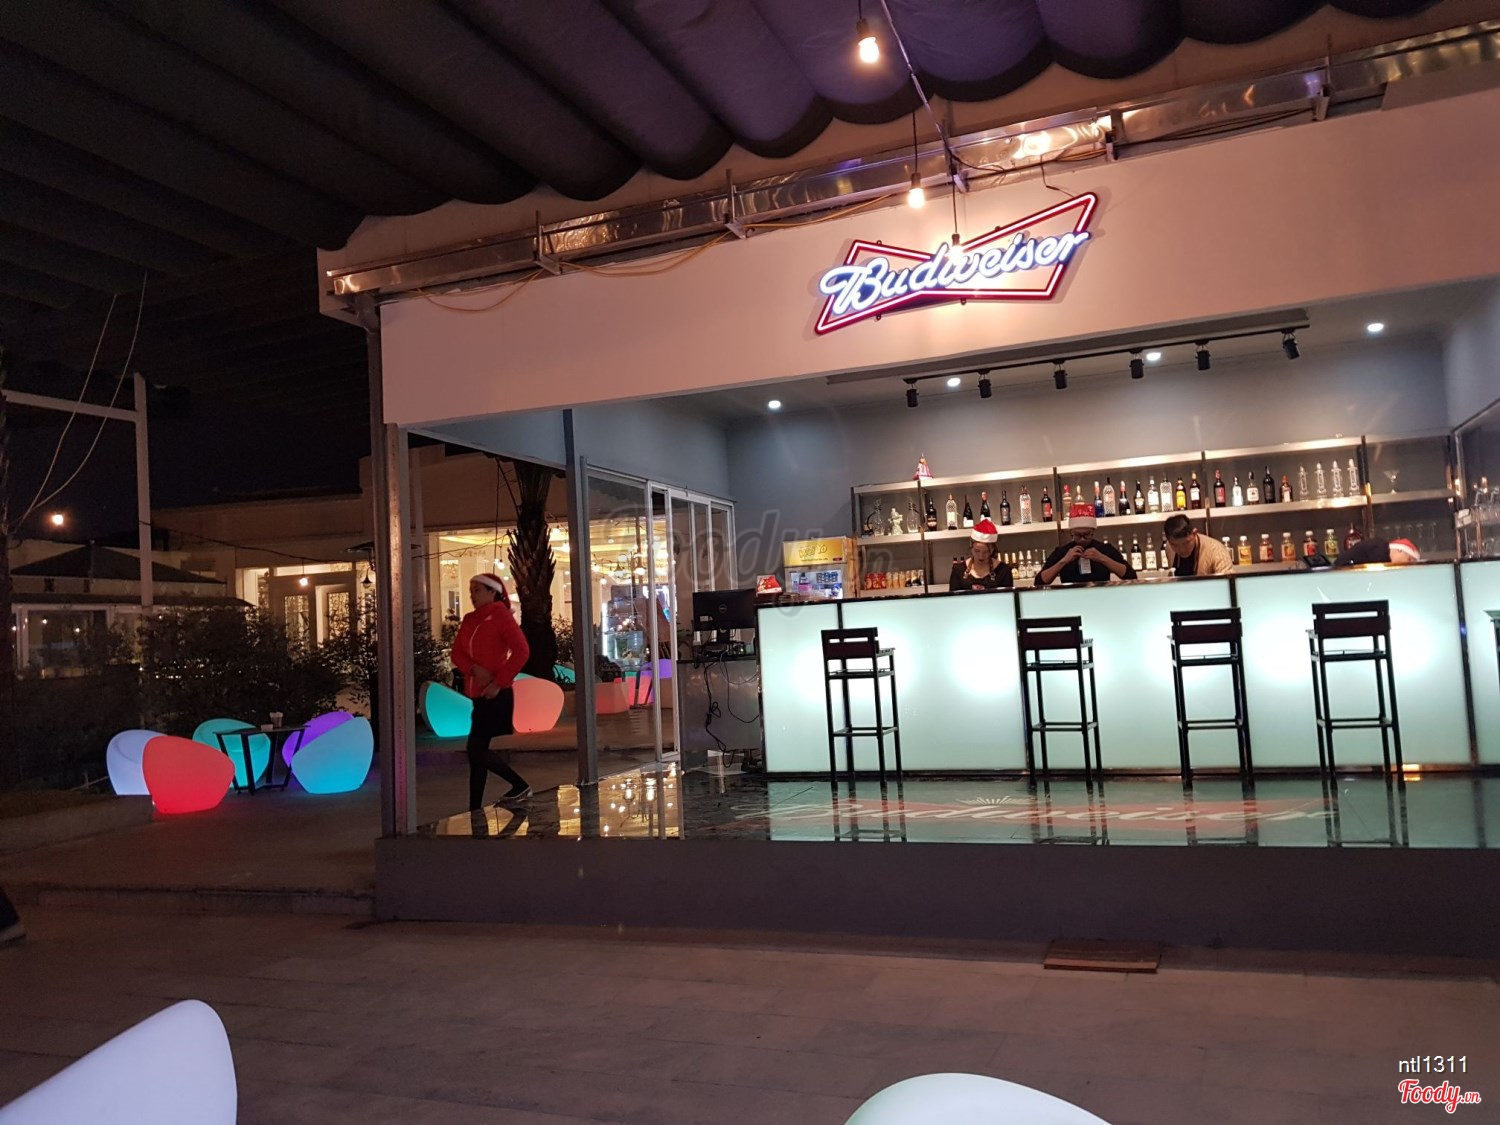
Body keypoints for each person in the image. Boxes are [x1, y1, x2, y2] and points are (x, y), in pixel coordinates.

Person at [450, 573, 532, 809]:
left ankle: (520, 785)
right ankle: (474, 807)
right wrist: (473, 668)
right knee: (477, 753)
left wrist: (498, 682)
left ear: (492, 592)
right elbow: (457, 653)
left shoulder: (501, 617)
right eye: (471, 591)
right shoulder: (469, 620)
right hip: (478, 694)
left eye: (477, 590)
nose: (472, 595)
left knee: (475, 750)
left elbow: (521, 651)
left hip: (496, 694)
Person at [1036, 504, 1136, 586]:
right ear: (1071, 532)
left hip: (1101, 599)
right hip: (1071, 600)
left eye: (1086, 534)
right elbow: (1039, 581)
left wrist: (1101, 558)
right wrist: (1064, 560)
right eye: (1078, 535)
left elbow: (1131, 576)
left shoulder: (1104, 549)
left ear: (1093, 531)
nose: (1082, 539)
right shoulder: (1062, 551)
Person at [948, 518, 1014, 592]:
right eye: (977, 551)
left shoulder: (1004, 571)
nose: (981, 556)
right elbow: (953, 598)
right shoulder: (958, 570)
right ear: (971, 547)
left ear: (993, 549)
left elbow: (1008, 598)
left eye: (986, 552)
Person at [1162, 513, 1233, 576]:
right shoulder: (1168, 547)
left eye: (1186, 543)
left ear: (1194, 533)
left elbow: (1227, 583)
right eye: (1175, 545)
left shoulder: (1217, 551)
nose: (1181, 550)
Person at [1337, 537, 1421, 567]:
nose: (1408, 564)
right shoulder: (1380, 551)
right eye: (1409, 559)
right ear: (1399, 550)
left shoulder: (1381, 547)